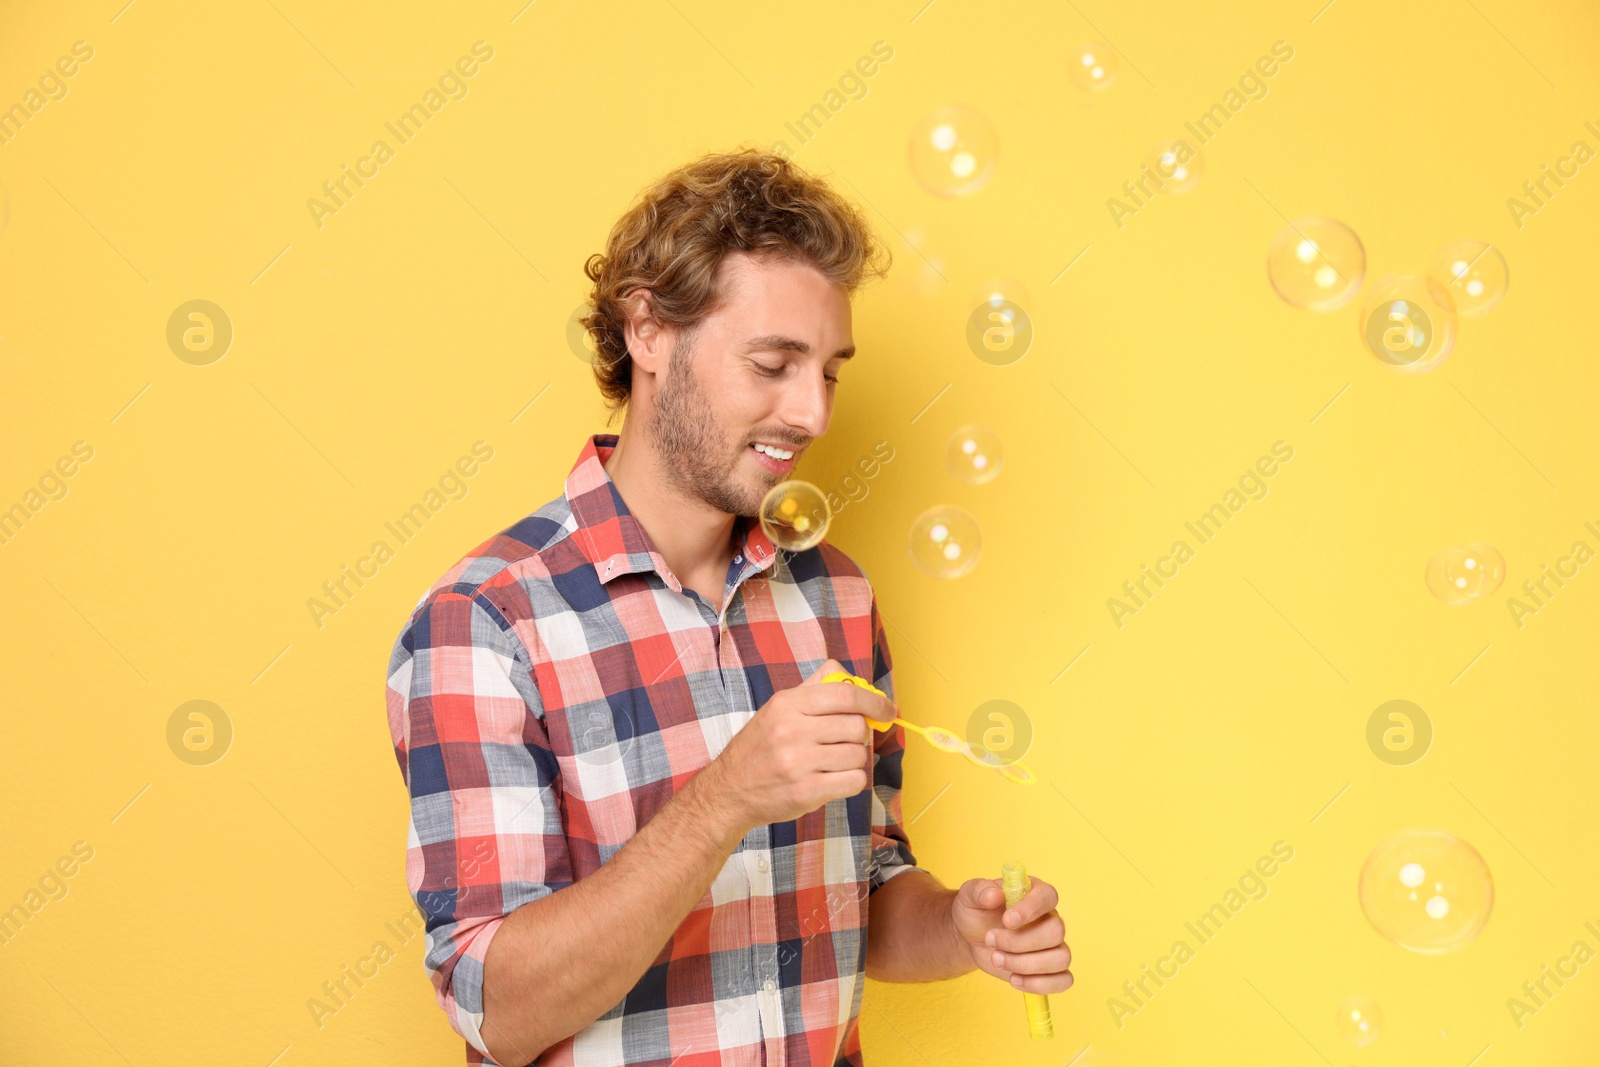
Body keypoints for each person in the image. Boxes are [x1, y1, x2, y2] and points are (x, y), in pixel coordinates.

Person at [384, 147, 1072, 1067]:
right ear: (649, 333)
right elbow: (498, 1010)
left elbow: (860, 888)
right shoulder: (485, 623)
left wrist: (957, 928)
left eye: (830, 370)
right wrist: (724, 801)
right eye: (774, 363)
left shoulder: (837, 597)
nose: (814, 414)